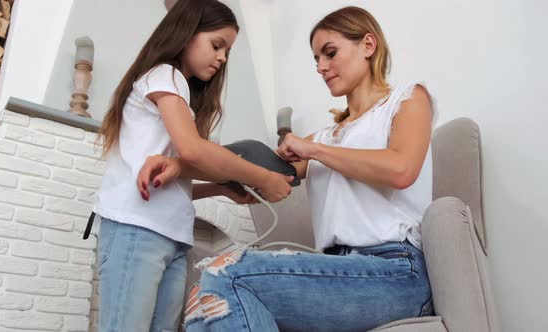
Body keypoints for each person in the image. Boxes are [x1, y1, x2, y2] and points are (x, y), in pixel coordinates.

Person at [181, 6, 437, 332]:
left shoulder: (407, 99)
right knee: (203, 300)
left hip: (396, 270)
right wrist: (178, 165)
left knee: (229, 272)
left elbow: (402, 169)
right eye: (316, 59)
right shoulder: (326, 136)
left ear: (368, 45)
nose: (321, 67)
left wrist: (313, 149)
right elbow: (254, 170)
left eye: (330, 53)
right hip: (334, 267)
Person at [93, 0, 292, 330]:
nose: (222, 58)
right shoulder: (164, 75)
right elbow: (193, 151)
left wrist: (220, 188)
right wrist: (263, 177)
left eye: (226, 51)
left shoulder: (179, 93)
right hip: (136, 230)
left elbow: (168, 179)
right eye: (217, 45)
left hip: (171, 239)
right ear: (186, 34)